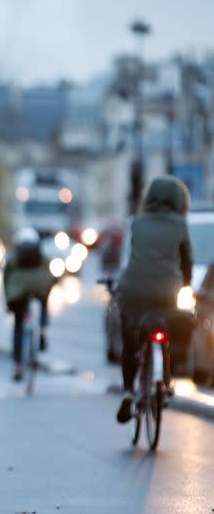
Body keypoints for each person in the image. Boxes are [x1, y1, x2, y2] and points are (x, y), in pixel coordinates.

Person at [115, 176, 193, 423]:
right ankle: (166, 378)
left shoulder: (136, 223)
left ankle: (128, 391)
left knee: (130, 336)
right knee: (170, 327)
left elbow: (132, 258)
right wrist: (185, 285)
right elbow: (187, 261)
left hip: (134, 289)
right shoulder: (180, 225)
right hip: (167, 291)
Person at [3, 227, 54, 382]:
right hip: (38, 286)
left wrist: (8, 302)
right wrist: (48, 287)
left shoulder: (15, 257)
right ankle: (43, 330)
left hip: (18, 291)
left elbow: (6, 277)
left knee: (18, 325)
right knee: (44, 300)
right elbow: (49, 272)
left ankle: (18, 365)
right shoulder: (41, 256)